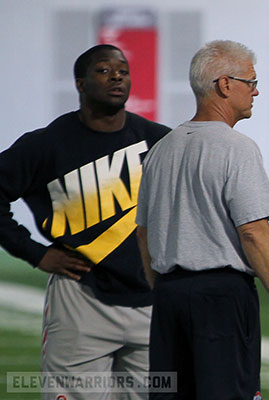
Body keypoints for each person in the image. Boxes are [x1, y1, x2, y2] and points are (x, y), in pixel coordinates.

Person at [0, 44, 170, 399]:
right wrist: (35, 253)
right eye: (104, 70)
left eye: (123, 71)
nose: (117, 77)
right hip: (80, 299)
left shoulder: (159, 142)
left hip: (152, 302)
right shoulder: (46, 145)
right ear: (80, 83)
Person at [135, 40, 269, 398]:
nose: (256, 92)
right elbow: (253, 231)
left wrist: (161, 289)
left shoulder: (161, 149)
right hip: (221, 299)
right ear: (225, 85)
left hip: (168, 295)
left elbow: (143, 235)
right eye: (250, 82)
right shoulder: (236, 148)